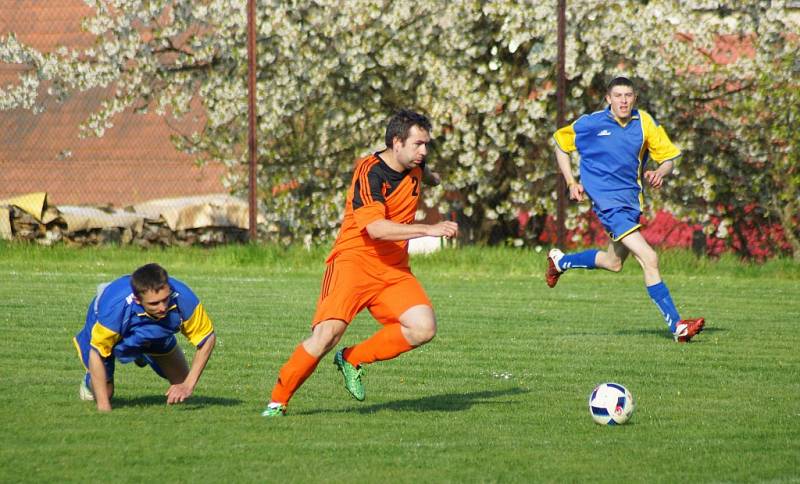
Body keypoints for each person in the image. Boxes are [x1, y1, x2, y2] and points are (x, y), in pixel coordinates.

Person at [262, 109, 458, 417]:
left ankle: (352, 358)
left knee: (423, 328)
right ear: (396, 142)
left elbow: (425, 175)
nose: (425, 151)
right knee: (327, 335)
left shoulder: (415, 163)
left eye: (427, 145)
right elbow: (376, 229)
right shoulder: (371, 172)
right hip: (353, 263)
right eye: (419, 144)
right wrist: (429, 229)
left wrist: (432, 178)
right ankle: (277, 401)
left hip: (393, 269)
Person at [547, 76, 705, 343]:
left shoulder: (643, 122)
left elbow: (668, 158)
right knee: (649, 258)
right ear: (608, 98)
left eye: (628, 96)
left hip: (631, 203)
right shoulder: (591, 123)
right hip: (608, 205)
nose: (623, 101)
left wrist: (661, 172)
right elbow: (560, 145)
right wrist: (571, 181)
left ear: (634, 98)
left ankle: (560, 261)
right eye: (617, 96)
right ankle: (677, 326)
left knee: (614, 262)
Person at [72, 263, 217, 412]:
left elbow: (207, 338)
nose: (162, 307)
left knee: (182, 380)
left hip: (155, 330)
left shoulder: (183, 297)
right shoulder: (114, 309)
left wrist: (188, 385)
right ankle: (88, 382)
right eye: (154, 303)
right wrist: (104, 407)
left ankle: (142, 352)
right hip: (115, 331)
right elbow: (96, 353)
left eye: (165, 299)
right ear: (137, 300)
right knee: (105, 393)